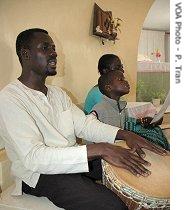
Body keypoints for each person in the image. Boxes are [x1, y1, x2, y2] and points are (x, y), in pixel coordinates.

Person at [0, 28, 167, 210]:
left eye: (54, 47)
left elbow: (85, 124)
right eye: (45, 47)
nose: (54, 52)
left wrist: (124, 134)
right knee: (112, 205)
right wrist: (101, 149)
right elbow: (34, 157)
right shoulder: (10, 98)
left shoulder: (58, 94)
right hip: (37, 174)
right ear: (26, 54)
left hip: (71, 159)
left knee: (139, 164)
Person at [92, 70, 170, 150]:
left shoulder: (119, 107)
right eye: (121, 80)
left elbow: (123, 122)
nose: (126, 82)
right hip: (109, 151)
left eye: (124, 79)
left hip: (120, 146)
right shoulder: (100, 109)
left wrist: (140, 121)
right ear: (109, 88)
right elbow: (95, 135)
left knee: (155, 131)